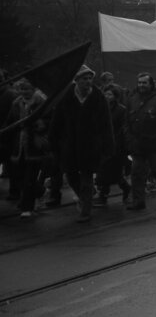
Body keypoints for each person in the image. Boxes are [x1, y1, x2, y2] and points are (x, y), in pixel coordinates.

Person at [49, 65, 115, 222]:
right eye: (84, 79)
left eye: (90, 78)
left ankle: (86, 210)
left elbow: (107, 124)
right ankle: (86, 197)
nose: (88, 81)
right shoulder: (65, 97)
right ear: (76, 80)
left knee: (86, 177)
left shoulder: (99, 98)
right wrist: (53, 141)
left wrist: (108, 145)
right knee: (71, 176)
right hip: (69, 145)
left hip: (90, 145)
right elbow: (56, 122)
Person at [125, 73, 156, 209]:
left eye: (144, 83)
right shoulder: (132, 99)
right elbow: (127, 121)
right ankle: (138, 201)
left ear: (150, 84)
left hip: (155, 143)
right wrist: (129, 139)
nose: (141, 85)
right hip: (138, 143)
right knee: (136, 172)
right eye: (139, 82)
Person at [7, 78, 48, 218]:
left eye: (27, 89)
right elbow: (10, 122)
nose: (24, 92)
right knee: (19, 177)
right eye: (22, 89)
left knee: (29, 179)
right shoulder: (16, 104)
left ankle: (27, 207)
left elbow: (48, 120)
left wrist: (40, 125)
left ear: (33, 89)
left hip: (34, 146)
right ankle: (40, 190)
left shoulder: (40, 103)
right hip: (19, 147)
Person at [93, 84, 131, 207]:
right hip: (102, 144)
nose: (107, 96)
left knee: (110, 171)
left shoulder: (121, 110)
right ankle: (121, 190)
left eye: (110, 94)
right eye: (105, 94)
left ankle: (104, 195)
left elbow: (123, 129)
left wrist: (120, 144)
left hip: (116, 146)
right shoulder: (99, 108)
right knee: (106, 171)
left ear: (115, 96)